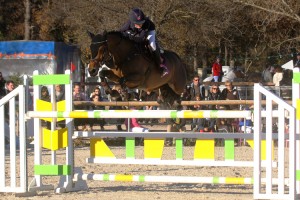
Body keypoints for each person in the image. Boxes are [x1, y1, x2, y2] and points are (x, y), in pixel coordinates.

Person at [119, 8, 169, 77]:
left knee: (152, 45)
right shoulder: (128, 24)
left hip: (149, 30)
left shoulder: (146, 24)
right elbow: (120, 32)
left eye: (141, 22)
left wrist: (128, 35)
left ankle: (161, 65)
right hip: (136, 34)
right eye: (138, 23)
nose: (140, 25)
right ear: (132, 22)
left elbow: (140, 38)